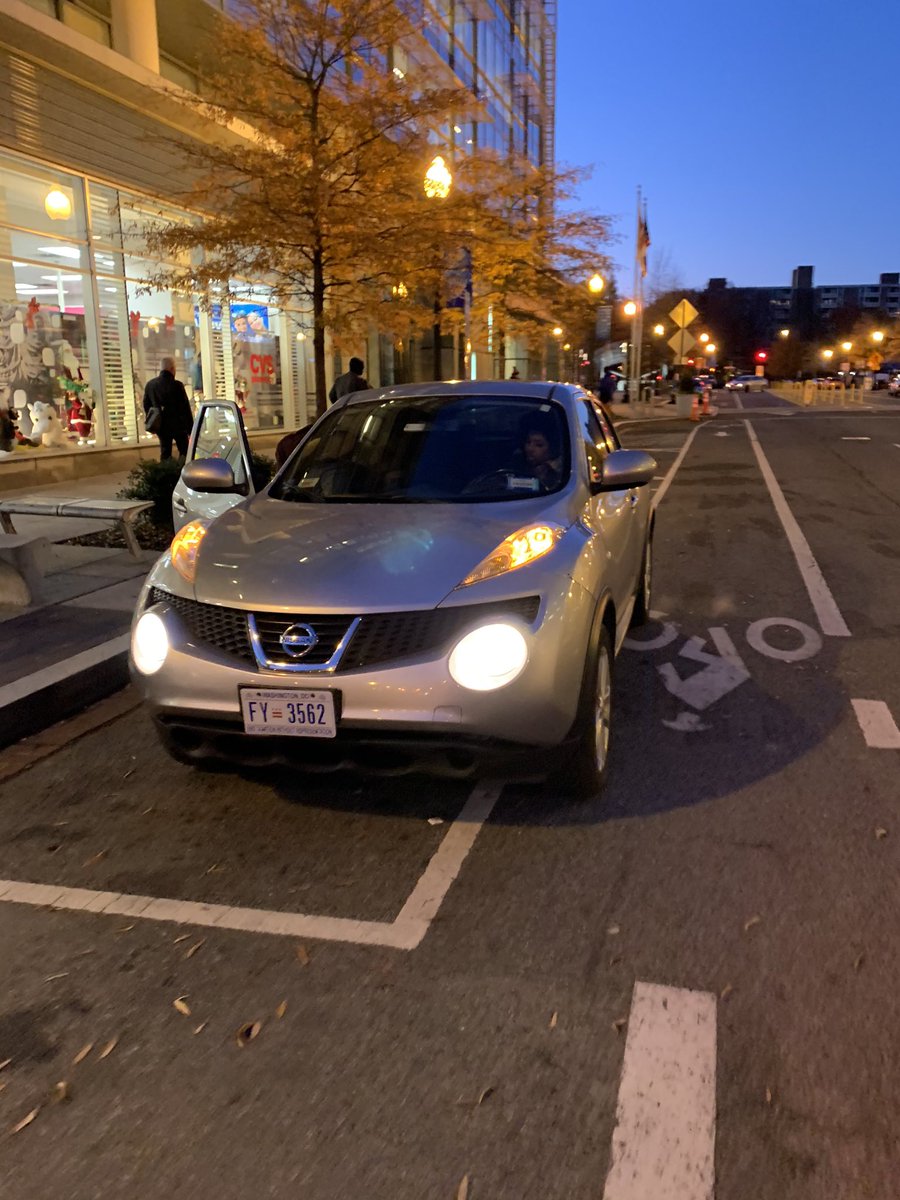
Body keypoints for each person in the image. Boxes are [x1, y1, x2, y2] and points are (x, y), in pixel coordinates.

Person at [142, 357, 194, 460]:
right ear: (171, 369)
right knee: (185, 451)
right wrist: (191, 430)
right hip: (178, 426)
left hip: (161, 426)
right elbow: (185, 409)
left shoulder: (151, 385)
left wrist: (152, 422)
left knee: (165, 452)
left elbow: (146, 405)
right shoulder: (177, 386)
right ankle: (181, 472)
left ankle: (165, 472)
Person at [517, 412, 563, 490]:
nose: (530, 449)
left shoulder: (563, 473)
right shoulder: (517, 462)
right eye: (528, 442)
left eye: (539, 445)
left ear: (552, 448)